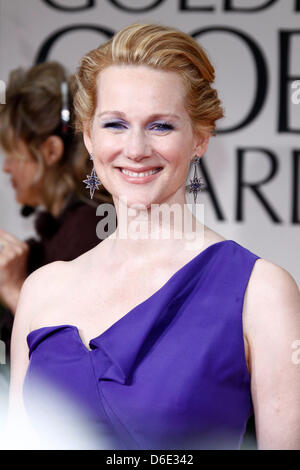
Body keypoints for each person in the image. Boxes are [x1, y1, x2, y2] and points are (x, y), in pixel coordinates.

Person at [6, 24, 300, 450]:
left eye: (161, 126)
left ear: (199, 137)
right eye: (115, 124)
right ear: (89, 137)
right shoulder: (41, 290)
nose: (137, 148)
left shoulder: (261, 291)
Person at [0, 62, 113, 360]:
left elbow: (74, 361)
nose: (6, 167)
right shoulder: (61, 231)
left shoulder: (90, 232)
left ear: (50, 151)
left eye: (13, 154)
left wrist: (13, 289)